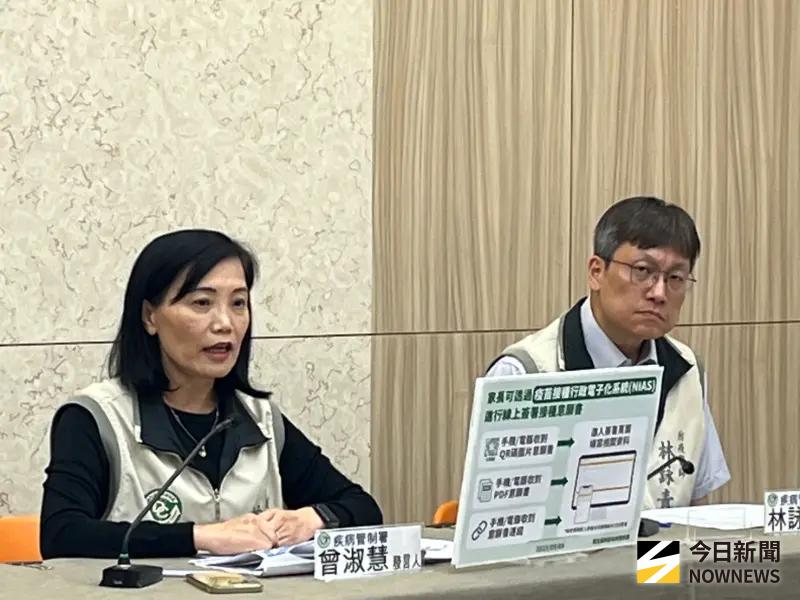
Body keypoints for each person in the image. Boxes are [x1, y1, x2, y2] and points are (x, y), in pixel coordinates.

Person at [40, 229, 382, 559]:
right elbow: (62, 534)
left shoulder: (260, 419)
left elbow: (362, 508)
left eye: (238, 303)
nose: (225, 323)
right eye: (202, 303)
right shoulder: (98, 418)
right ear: (150, 317)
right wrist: (201, 537)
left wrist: (311, 519)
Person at [486, 197, 730, 509]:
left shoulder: (688, 370)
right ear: (596, 272)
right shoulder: (524, 373)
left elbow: (697, 506)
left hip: (663, 545)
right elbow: (495, 514)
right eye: (643, 270)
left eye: (675, 278)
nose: (659, 293)